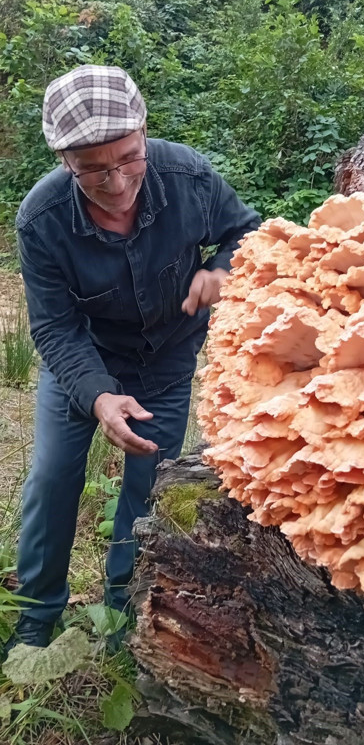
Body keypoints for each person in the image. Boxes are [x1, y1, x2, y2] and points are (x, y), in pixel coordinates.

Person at [6, 64, 260, 652]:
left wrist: (222, 268)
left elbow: (247, 231)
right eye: (92, 168)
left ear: (144, 131)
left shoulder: (189, 176)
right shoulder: (41, 219)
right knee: (52, 478)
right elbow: (53, 327)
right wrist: (97, 395)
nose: (117, 181)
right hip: (83, 363)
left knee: (151, 485)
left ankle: (124, 611)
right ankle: (35, 619)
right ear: (64, 159)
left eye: (128, 158)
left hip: (167, 359)